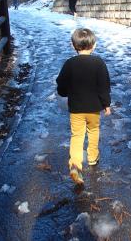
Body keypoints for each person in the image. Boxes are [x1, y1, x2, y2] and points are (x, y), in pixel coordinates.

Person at [56, 28, 111, 186]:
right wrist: (106, 104)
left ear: (73, 45)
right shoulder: (99, 63)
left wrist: (64, 92)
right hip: (94, 109)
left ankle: (75, 165)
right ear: (93, 45)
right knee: (93, 132)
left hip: (76, 109)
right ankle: (93, 158)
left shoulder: (70, 63)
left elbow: (61, 83)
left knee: (77, 136)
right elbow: (104, 86)